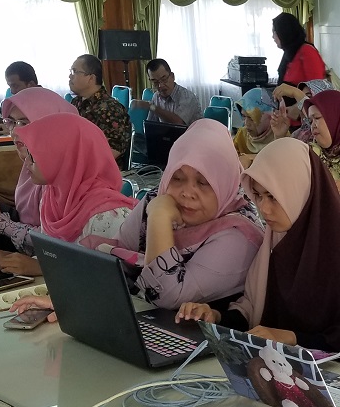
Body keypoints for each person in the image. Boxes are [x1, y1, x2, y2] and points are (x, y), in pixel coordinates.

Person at [17, 120, 264, 316]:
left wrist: (159, 219)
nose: (187, 192)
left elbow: (165, 297)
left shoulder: (239, 235)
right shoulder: (158, 199)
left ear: (224, 182)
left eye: (203, 183)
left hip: (197, 351)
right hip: (141, 326)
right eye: (177, 178)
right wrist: (68, 299)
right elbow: (114, 260)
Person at [176, 137, 340, 360]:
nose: (264, 209)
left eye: (273, 197)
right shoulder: (273, 244)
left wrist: (292, 339)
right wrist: (215, 317)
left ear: (301, 191)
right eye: (258, 196)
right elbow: (251, 310)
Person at [0, 113, 135, 277]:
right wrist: (2, 257)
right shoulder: (51, 198)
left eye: (34, 156)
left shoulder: (108, 216)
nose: (26, 162)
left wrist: (43, 268)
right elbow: (54, 255)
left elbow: (113, 278)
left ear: (63, 158)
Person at [0, 87, 74, 245]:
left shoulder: (69, 172)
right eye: (11, 122)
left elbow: (60, 243)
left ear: (52, 125)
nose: (15, 131)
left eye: (24, 122)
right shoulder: (30, 163)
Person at [68, 53, 132, 169]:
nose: (70, 76)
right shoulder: (76, 103)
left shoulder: (110, 108)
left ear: (91, 78)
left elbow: (114, 150)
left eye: (75, 72)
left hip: (100, 172)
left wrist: (79, 167)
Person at [270, 12, 327, 110]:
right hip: (288, 116)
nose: (273, 37)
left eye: (274, 32)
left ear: (284, 32)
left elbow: (318, 90)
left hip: (305, 116)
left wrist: (295, 109)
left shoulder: (307, 51)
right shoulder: (289, 53)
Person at [131, 59, 202, 126]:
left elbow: (178, 123)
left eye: (164, 79)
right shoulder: (156, 96)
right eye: (155, 82)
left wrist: (151, 106)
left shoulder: (188, 97)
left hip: (192, 134)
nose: (160, 85)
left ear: (172, 76)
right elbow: (150, 125)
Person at [233, 87, 278, 164]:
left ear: (270, 116)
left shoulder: (280, 136)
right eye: (243, 116)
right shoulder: (242, 135)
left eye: (251, 118)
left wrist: (251, 158)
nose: (246, 123)